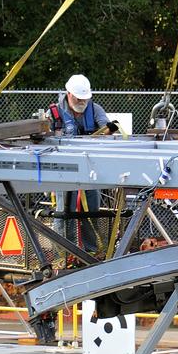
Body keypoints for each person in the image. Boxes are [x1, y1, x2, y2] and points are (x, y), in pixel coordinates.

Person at [50, 74, 114, 255]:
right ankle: (64, 254)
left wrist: (109, 130)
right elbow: (45, 136)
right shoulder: (55, 113)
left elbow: (107, 128)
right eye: (79, 98)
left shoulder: (95, 109)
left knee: (91, 209)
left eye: (85, 99)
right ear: (69, 94)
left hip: (89, 170)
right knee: (64, 211)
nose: (82, 102)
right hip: (63, 170)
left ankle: (91, 252)